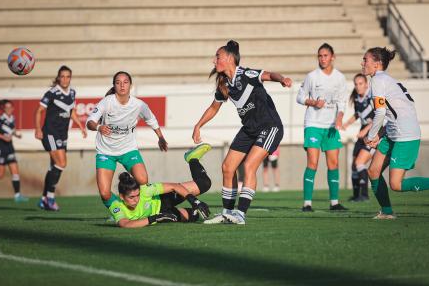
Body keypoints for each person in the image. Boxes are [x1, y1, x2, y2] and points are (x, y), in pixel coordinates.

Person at [192, 40, 292, 225]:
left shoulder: (246, 74)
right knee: (227, 167)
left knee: (249, 167)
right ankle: (227, 213)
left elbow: (269, 74)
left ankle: (240, 215)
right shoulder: (224, 84)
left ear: (229, 58)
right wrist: (198, 125)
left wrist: (282, 79)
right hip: (249, 129)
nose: (214, 61)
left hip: (269, 126)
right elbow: (214, 108)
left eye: (218, 57)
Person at [362, 47, 429, 220]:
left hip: (405, 135)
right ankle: (387, 212)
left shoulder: (378, 80)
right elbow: (393, 112)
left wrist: (370, 136)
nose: (362, 63)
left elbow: (381, 112)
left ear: (377, 64)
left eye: (365, 60)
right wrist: (379, 134)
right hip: (393, 132)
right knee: (373, 171)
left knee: (396, 184)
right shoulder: (384, 79)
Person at [86, 71, 168, 211]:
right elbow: (89, 122)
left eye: (125, 82)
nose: (122, 85)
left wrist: (160, 137)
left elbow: (151, 120)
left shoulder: (138, 104)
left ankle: (143, 209)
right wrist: (99, 127)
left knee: (143, 180)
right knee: (105, 193)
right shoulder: (107, 102)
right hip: (106, 151)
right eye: (118, 82)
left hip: (128, 149)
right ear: (114, 85)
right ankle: (120, 212)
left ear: (130, 85)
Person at [296, 43, 348, 212]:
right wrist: (312, 102)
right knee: (313, 162)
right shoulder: (312, 76)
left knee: (333, 163)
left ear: (332, 57)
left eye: (325, 55)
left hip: (331, 126)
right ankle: (307, 204)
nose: (322, 58)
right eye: (320, 55)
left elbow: (342, 102)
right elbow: (300, 96)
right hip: (313, 124)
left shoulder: (340, 78)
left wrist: (339, 118)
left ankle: (334, 203)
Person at [109, 144, 212, 228]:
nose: (136, 200)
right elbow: (125, 224)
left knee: (204, 183)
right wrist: (156, 218)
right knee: (194, 215)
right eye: (131, 197)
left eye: (137, 195)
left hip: (165, 199)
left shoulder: (145, 190)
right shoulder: (117, 206)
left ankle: (192, 158)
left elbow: (174, 186)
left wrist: (194, 201)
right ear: (121, 196)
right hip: (161, 213)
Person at [35, 65, 87, 211]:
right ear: (58, 78)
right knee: (62, 163)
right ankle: (50, 198)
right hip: (50, 133)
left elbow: (71, 111)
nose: (65, 79)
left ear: (70, 78)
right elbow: (38, 111)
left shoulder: (72, 92)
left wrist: (80, 126)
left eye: (68, 76)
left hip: (63, 134)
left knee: (54, 166)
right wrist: (38, 129)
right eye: (62, 76)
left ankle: (44, 198)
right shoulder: (51, 93)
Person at [341, 73, 385, 202]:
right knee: (354, 165)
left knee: (360, 163)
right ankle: (356, 195)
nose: (358, 86)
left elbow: (379, 118)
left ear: (366, 84)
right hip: (362, 133)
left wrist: (365, 131)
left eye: (360, 83)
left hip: (373, 134)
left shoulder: (372, 97)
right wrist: (347, 123)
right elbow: (358, 114)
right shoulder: (357, 99)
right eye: (356, 84)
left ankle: (365, 195)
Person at [0, 100, 28, 202]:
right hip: (1, 149)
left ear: (12, 109)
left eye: (10, 107)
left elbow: (11, 130)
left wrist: (16, 134)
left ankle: (17, 195)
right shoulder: (1, 119)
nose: (8, 109)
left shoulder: (12, 118)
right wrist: (3, 137)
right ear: (3, 109)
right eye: (6, 107)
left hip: (10, 148)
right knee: (0, 175)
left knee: (15, 172)